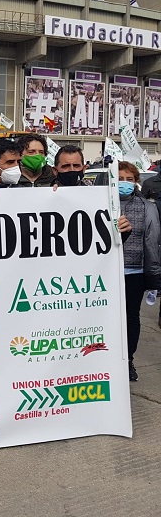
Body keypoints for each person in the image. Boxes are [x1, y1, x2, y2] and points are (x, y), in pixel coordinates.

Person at [118, 161, 161, 381]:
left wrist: (153, 278)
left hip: (133, 273)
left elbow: (152, 243)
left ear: (136, 182)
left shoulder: (147, 207)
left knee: (131, 319)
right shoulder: (101, 203)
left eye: (129, 179)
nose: (124, 183)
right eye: (120, 178)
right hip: (107, 274)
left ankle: (129, 360)